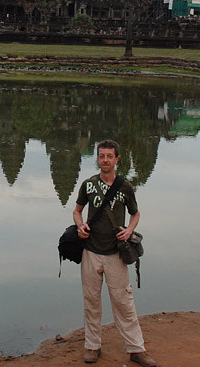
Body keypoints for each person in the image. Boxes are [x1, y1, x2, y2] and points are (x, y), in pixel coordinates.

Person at [73, 140, 157, 367]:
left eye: (110, 156)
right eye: (102, 156)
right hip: (90, 252)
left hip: (115, 255)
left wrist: (130, 230)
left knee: (123, 302)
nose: (105, 160)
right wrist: (80, 226)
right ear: (97, 159)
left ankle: (136, 349)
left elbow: (135, 213)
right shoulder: (88, 185)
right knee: (91, 301)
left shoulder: (125, 187)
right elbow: (77, 211)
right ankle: (92, 346)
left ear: (117, 159)